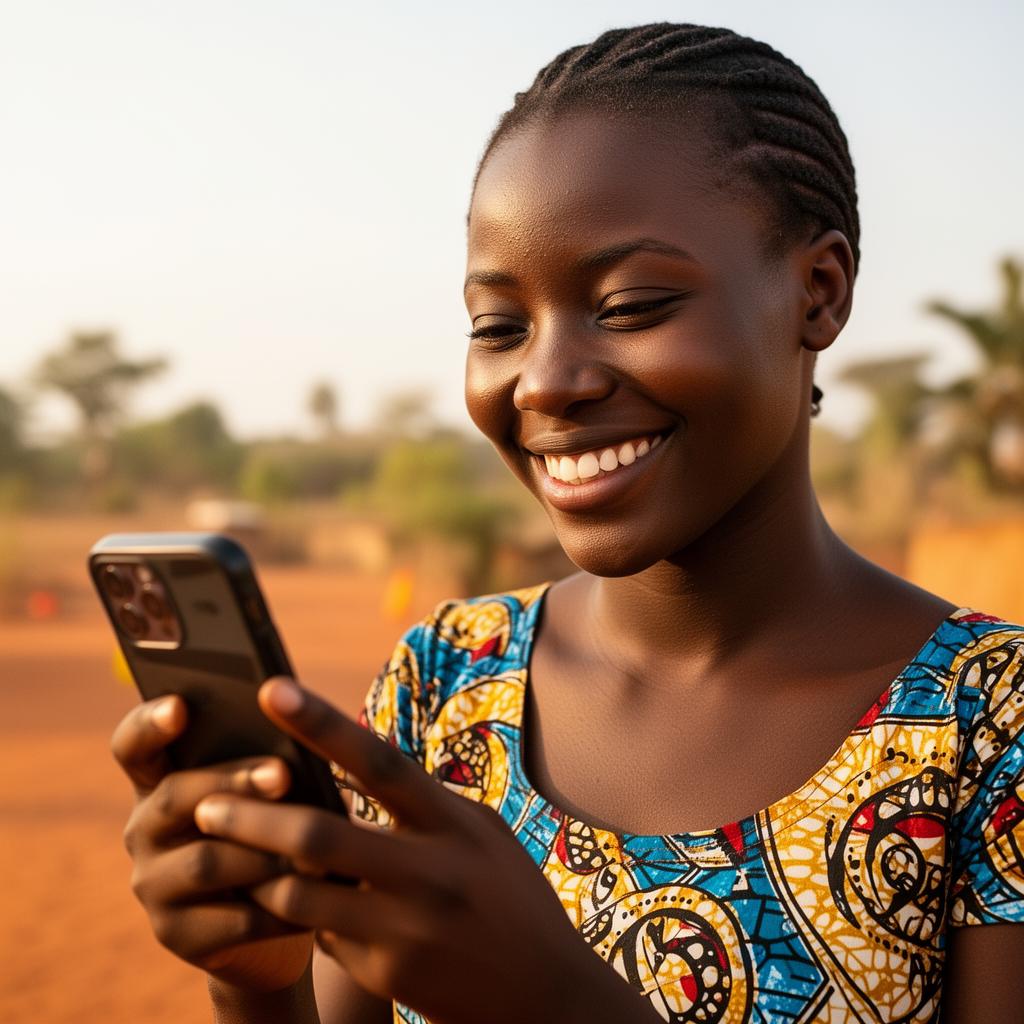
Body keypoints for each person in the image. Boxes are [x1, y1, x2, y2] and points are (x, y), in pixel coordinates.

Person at [110, 22, 1024, 1024]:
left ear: (819, 290)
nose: (544, 380)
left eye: (630, 304)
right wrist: (259, 982)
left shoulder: (986, 728)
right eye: (498, 326)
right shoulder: (443, 688)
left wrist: (553, 999)